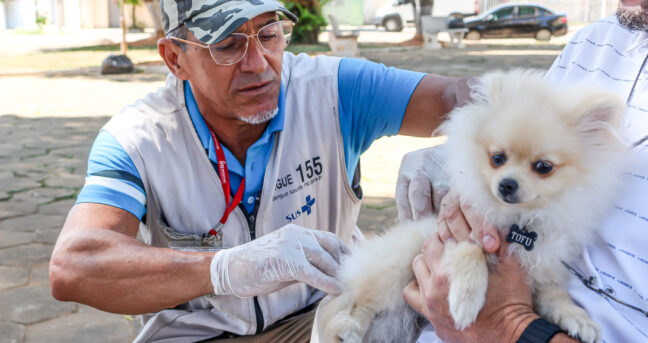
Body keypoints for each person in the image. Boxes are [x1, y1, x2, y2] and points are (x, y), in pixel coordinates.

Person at [48, 0, 469, 341]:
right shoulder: (138, 139)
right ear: (175, 58)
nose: (259, 63)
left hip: (325, 315)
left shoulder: (334, 91)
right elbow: (73, 266)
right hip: (198, 332)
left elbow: (461, 94)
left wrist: (472, 139)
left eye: (269, 34)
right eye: (228, 45)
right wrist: (224, 269)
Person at [399, 0, 648, 342]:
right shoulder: (596, 39)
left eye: (543, 168)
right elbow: (521, 134)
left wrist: (509, 326)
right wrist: (468, 161)